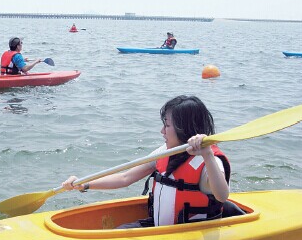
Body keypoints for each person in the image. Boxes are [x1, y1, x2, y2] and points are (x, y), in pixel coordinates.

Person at [62, 95, 231, 228]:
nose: (162, 131)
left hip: (188, 235)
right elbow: (125, 178)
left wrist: (207, 154)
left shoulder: (211, 159)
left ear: (184, 128)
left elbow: (222, 195)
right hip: (159, 228)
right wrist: (84, 184)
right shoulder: (165, 151)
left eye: (167, 126)